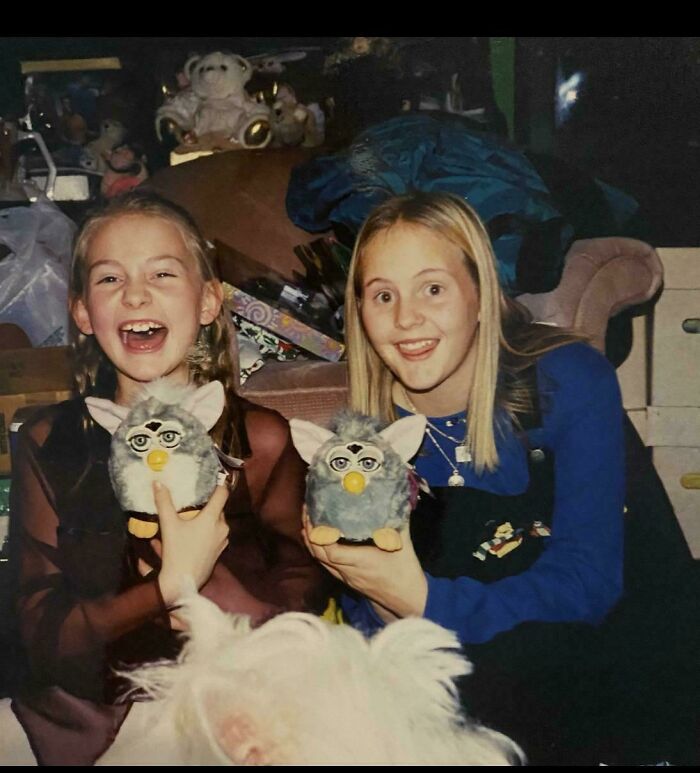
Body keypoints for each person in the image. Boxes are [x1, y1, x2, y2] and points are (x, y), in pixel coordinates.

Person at [303, 191, 630, 764]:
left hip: (583, 665)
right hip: (438, 682)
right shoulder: (361, 441)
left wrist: (422, 598)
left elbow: (588, 586)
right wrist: (372, 585)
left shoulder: (569, 382)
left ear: (481, 295)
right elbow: (367, 616)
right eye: (383, 295)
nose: (407, 318)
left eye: (433, 288)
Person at [7, 191, 325, 765]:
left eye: (162, 273)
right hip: (91, 720)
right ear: (82, 312)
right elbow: (38, 630)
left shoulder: (261, 440)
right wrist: (166, 586)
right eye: (109, 280)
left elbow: (302, 603)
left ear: (207, 301)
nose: (135, 294)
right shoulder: (49, 442)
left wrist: (214, 598)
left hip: (237, 710)